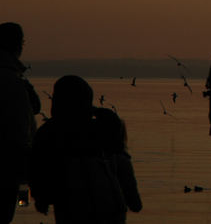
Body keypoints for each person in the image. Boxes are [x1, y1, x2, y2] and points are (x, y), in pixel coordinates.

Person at [30, 75, 142, 223]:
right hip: (108, 208)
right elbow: (121, 160)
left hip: (70, 207)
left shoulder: (49, 132)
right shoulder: (100, 128)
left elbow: (37, 168)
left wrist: (41, 198)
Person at [0, 22, 40, 224]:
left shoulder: (15, 77)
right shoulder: (12, 81)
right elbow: (19, 131)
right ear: (18, 45)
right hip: (8, 169)